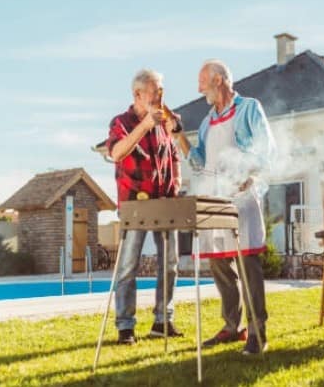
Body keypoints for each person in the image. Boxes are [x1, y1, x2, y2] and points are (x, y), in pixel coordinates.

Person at [175, 59, 275, 355]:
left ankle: (258, 332)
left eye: (202, 81)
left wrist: (253, 175)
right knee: (219, 264)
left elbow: (265, 148)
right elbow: (197, 162)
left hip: (241, 198)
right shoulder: (206, 122)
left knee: (248, 266)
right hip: (214, 199)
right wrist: (178, 134)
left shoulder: (249, 108)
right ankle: (233, 326)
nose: (198, 88)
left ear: (218, 80)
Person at [106, 69, 183, 344]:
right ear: (138, 94)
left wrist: (176, 187)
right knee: (128, 266)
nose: (160, 96)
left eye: (162, 90)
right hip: (134, 206)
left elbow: (174, 156)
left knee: (170, 264)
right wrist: (145, 126)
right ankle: (125, 327)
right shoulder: (121, 122)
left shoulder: (164, 124)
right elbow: (116, 152)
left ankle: (163, 321)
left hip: (164, 204)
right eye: (155, 91)